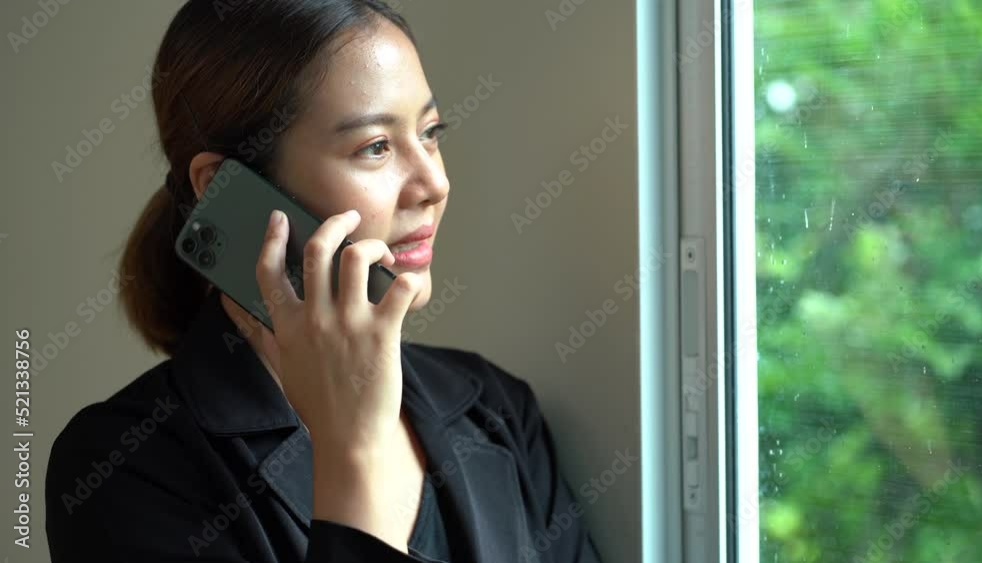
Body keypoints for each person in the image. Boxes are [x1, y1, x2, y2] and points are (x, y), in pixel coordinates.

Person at [44, 1, 604, 562]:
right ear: (225, 187)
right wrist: (353, 451)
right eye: (376, 147)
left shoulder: (496, 408)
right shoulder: (122, 467)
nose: (435, 183)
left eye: (431, 132)